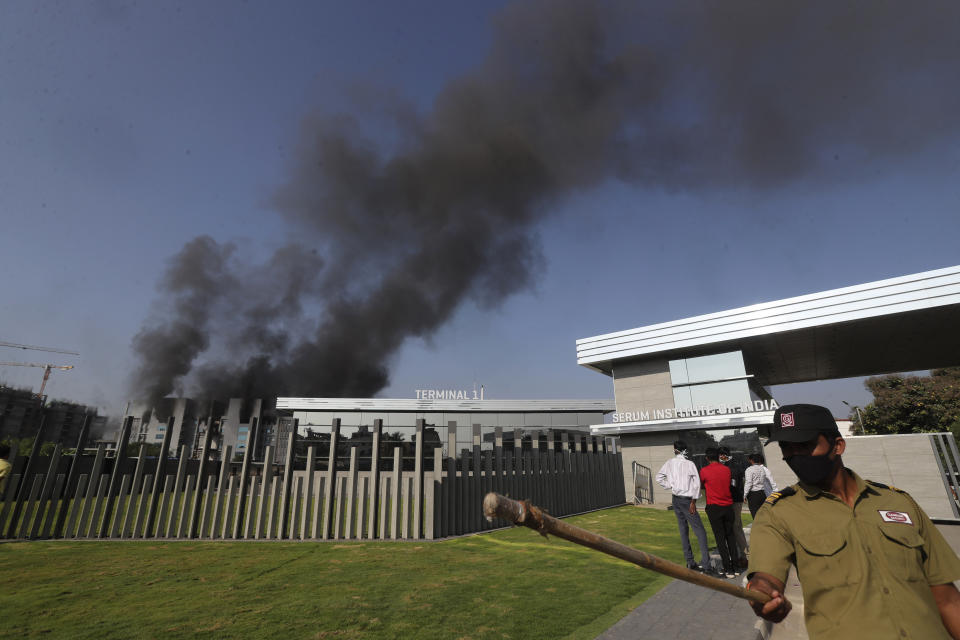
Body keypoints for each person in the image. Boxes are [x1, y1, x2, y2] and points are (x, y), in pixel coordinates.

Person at [747, 403, 960, 639]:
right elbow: (764, 578)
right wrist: (761, 593)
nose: (796, 456)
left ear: (838, 445)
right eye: (787, 447)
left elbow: (947, 599)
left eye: (805, 445)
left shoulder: (899, 502)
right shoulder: (778, 512)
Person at [656, 439, 711, 573]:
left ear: (675, 449)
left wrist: (670, 485)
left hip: (676, 499)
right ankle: (706, 565)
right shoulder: (689, 464)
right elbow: (697, 484)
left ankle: (690, 562)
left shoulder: (670, 463)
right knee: (699, 530)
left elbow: (659, 477)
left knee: (683, 530)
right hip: (687, 500)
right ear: (685, 450)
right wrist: (693, 501)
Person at [700, 447, 744, 578]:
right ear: (718, 457)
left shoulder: (704, 470)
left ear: (707, 458)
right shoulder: (726, 469)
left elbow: (702, 485)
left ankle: (728, 568)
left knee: (720, 538)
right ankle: (735, 566)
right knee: (730, 536)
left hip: (714, 507)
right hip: (728, 506)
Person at [719, 445, 749, 566]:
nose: (720, 457)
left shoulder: (731, 468)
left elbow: (733, 485)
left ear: (725, 455)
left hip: (733, 500)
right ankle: (743, 554)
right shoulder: (732, 465)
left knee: (735, 528)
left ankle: (745, 556)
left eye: (722, 455)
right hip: (735, 499)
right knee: (737, 527)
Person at [744, 452, 777, 518]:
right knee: (763, 515)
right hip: (762, 493)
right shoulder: (762, 469)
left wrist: (745, 495)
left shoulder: (749, 469)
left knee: (755, 515)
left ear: (751, 460)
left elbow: (749, 483)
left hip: (754, 494)